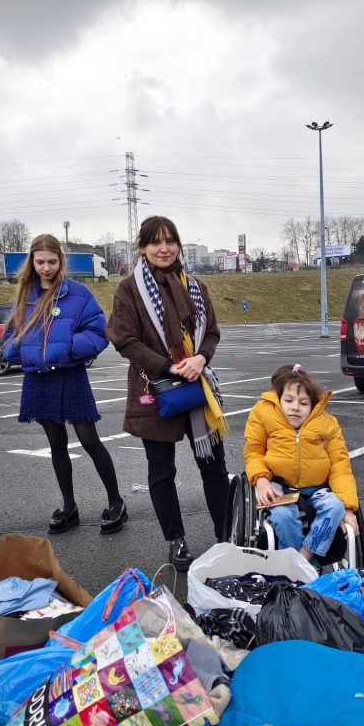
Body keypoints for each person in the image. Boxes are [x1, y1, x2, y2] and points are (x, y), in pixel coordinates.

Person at [107, 216, 229, 571]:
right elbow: (125, 340)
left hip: (197, 386)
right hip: (155, 388)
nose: (164, 248)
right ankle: (176, 540)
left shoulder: (196, 287)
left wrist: (200, 358)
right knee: (161, 470)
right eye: (155, 242)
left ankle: (226, 537)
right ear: (142, 247)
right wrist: (168, 366)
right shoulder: (129, 290)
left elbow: (212, 332)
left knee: (214, 468)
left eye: (170, 241)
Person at [3, 233, 127, 535]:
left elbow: (99, 332)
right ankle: (69, 507)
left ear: (61, 261)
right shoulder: (25, 294)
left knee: (89, 440)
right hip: (38, 377)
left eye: (52, 261)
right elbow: (9, 337)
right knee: (56, 444)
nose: (46, 268)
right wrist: (19, 350)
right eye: (40, 262)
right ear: (32, 262)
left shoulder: (78, 293)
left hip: (70, 375)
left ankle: (116, 503)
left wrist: (70, 347)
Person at [243, 364, 359, 561]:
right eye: (288, 400)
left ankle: (304, 558)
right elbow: (253, 452)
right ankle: (300, 564)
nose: (295, 407)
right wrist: (260, 480)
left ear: (312, 405)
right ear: (279, 399)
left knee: (336, 507)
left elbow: (340, 467)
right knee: (282, 515)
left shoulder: (327, 423)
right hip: (278, 486)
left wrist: (348, 509)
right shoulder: (263, 414)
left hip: (317, 488)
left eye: (303, 403)